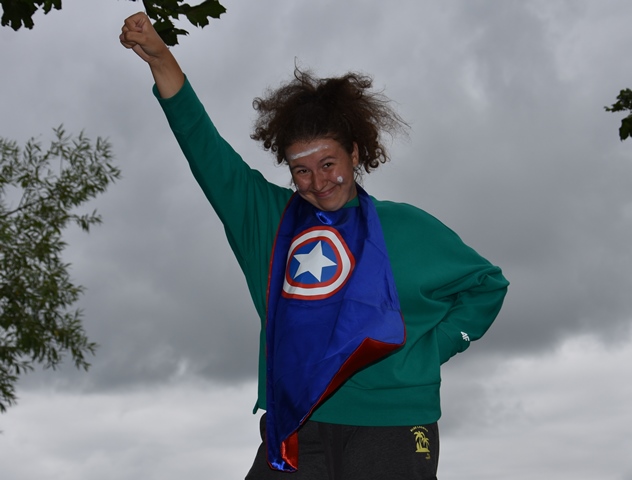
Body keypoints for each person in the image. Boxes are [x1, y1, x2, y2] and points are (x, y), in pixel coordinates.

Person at [120, 12, 509, 480]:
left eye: (328, 164)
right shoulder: (267, 220)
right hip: (297, 424)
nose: (318, 182)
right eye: (301, 170)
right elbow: (203, 147)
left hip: (393, 423)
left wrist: (434, 347)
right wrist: (161, 60)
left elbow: (487, 286)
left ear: (355, 153)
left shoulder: (407, 227)